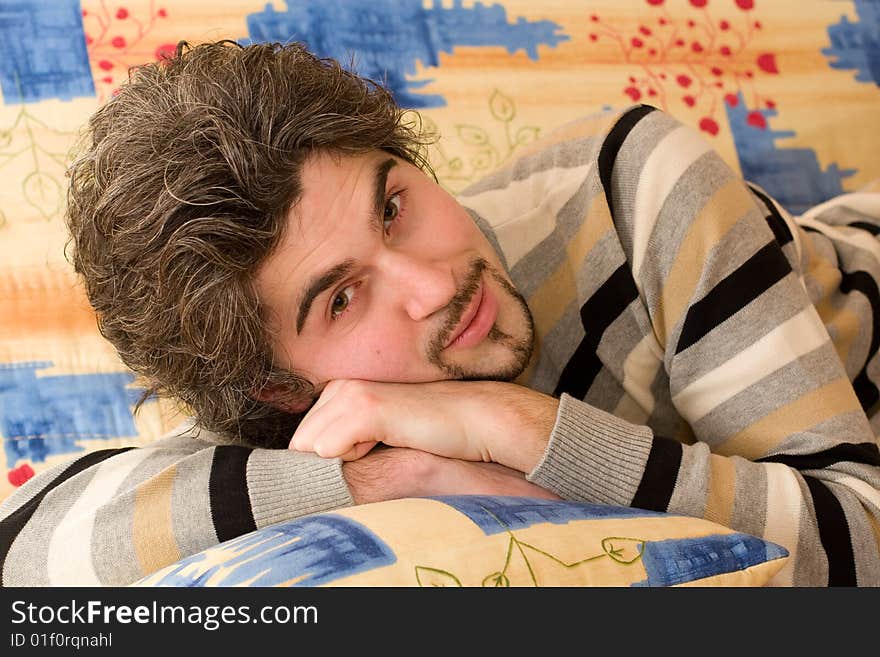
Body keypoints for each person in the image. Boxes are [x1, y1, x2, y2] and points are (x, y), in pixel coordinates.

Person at [1, 40, 878, 587]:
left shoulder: (635, 183)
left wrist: (517, 425)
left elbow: (860, 548)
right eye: (343, 297)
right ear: (278, 385)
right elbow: (25, 564)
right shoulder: (306, 420)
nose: (431, 284)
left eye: (393, 206)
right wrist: (384, 478)